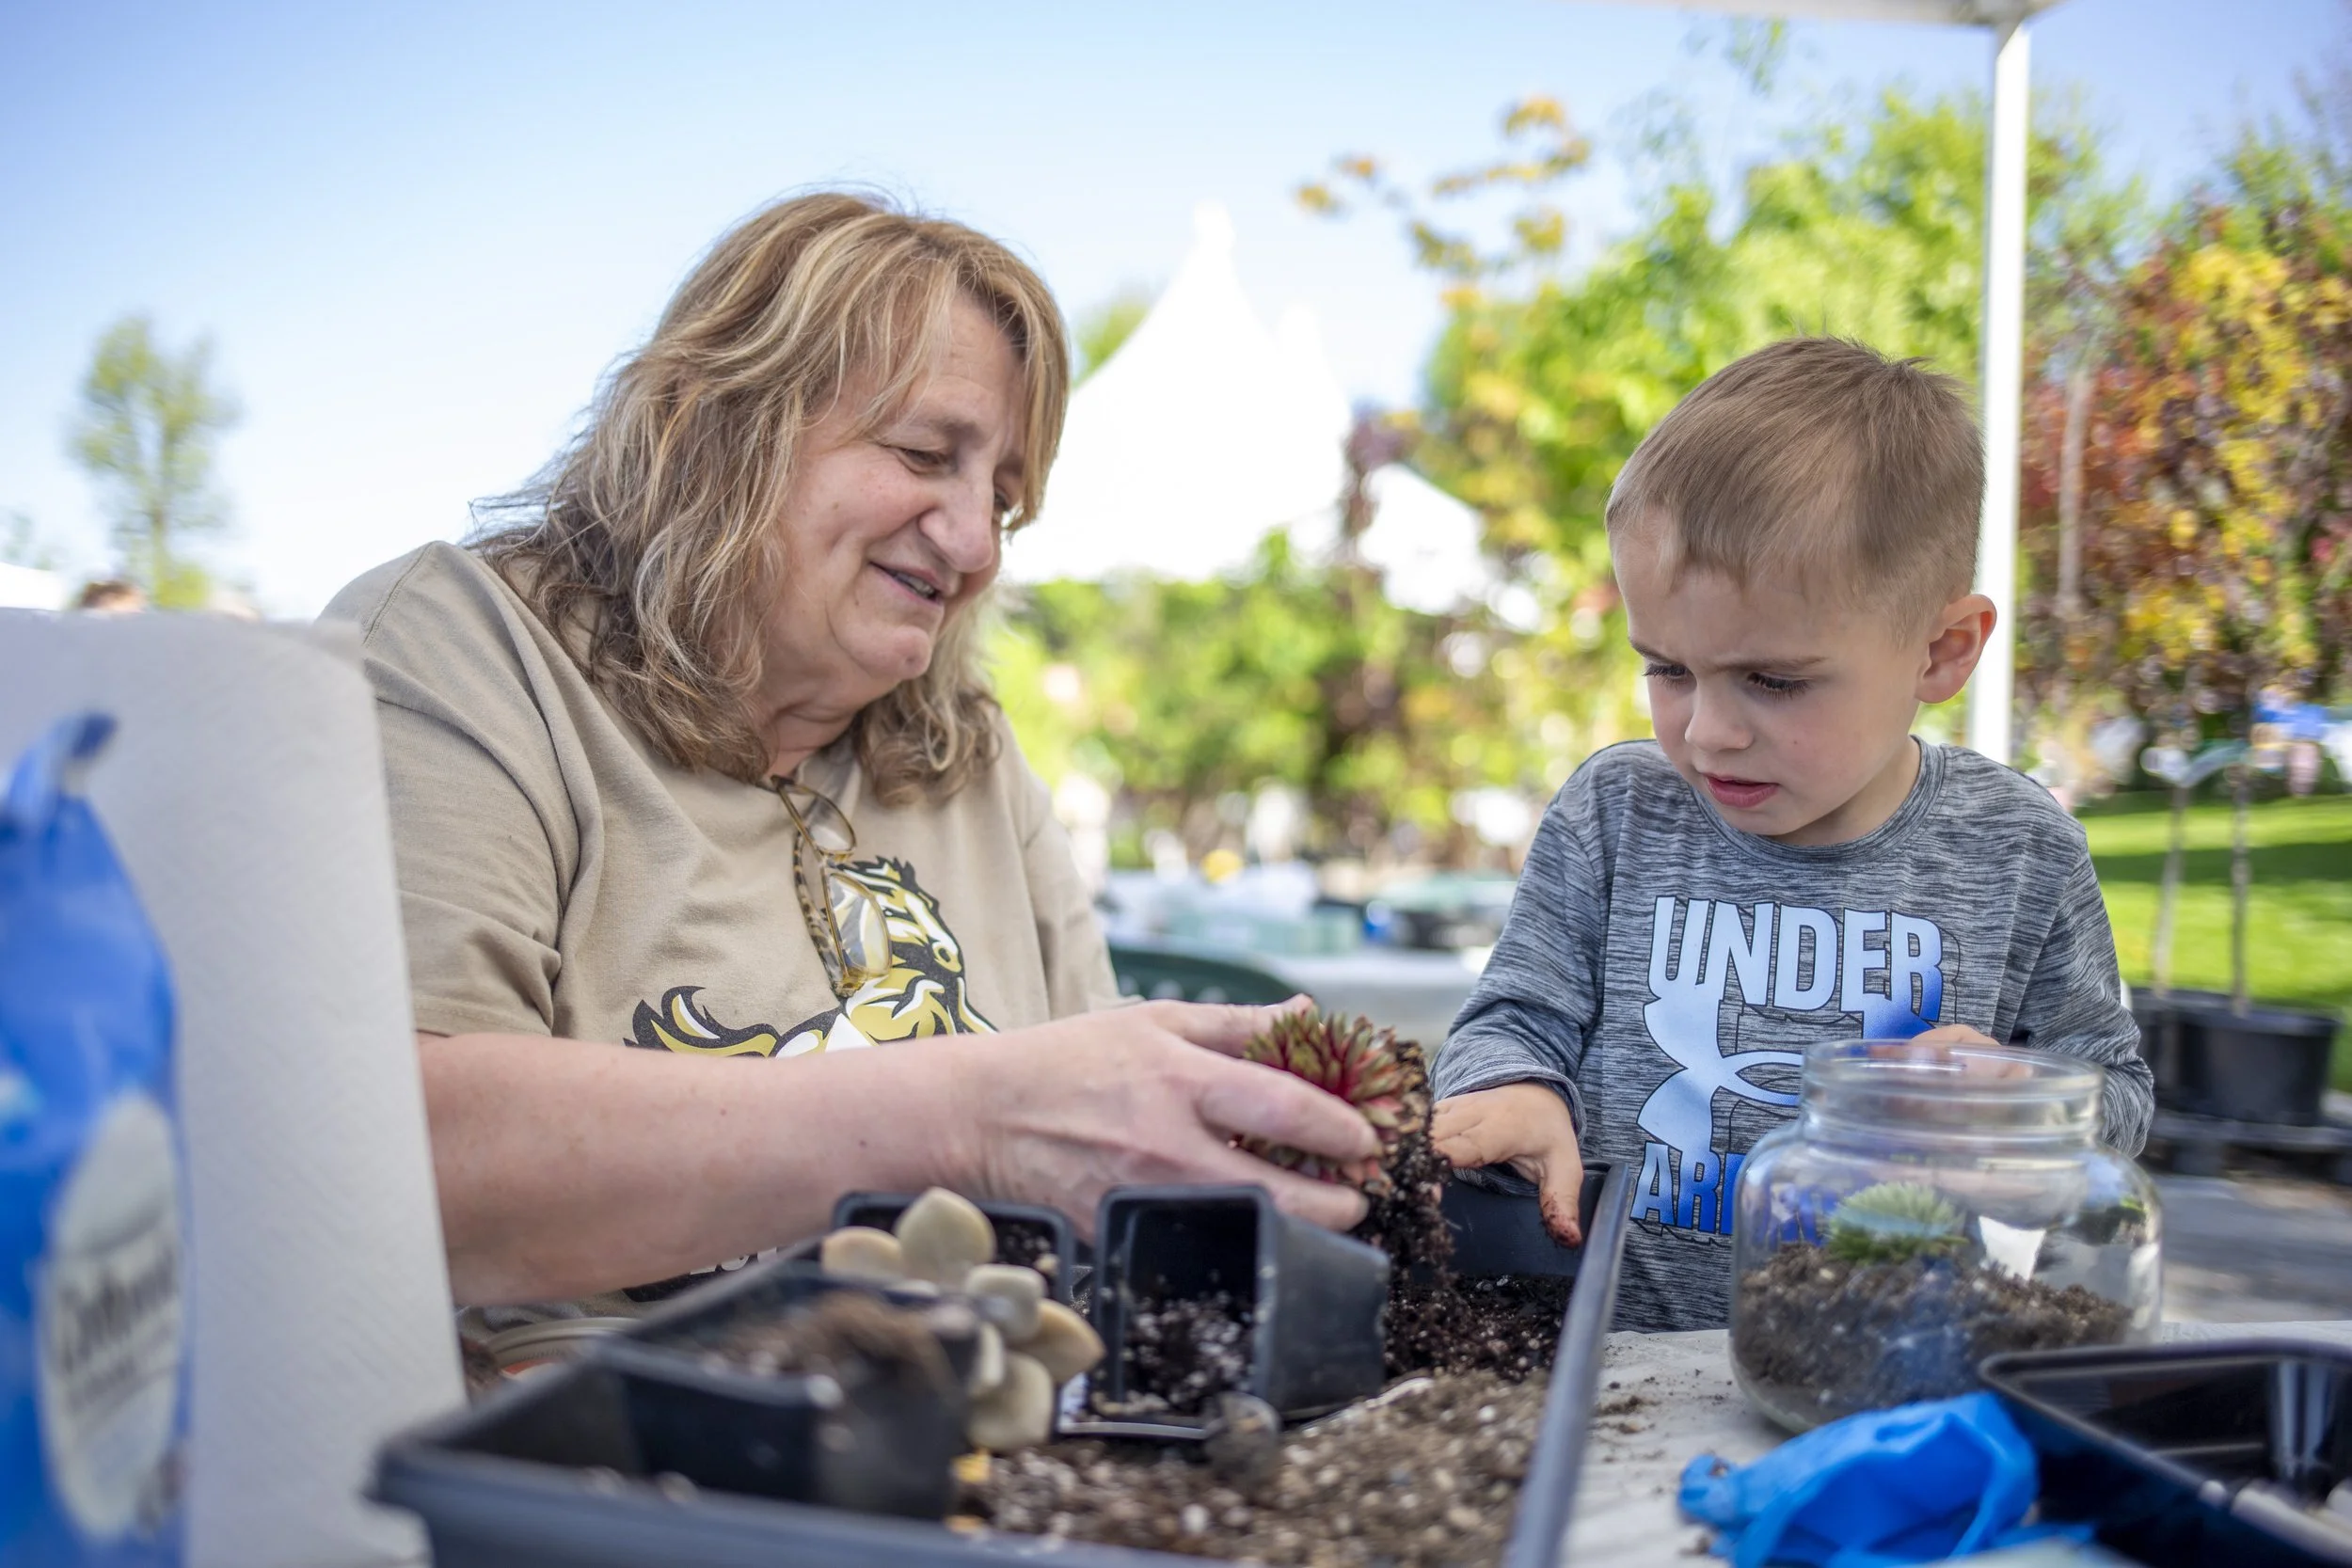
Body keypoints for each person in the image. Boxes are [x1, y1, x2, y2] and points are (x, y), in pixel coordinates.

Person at [322, 192, 1376, 1327]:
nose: (974, 544)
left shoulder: (966, 753)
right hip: (597, 1463)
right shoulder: (463, 651)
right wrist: (972, 1117)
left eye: (1004, 500)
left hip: (994, 1451)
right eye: (926, 453)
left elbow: (1107, 1162)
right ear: (715, 423)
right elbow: (392, 1158)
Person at [1427, 337, 2155, 1334]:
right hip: (1612, 1360)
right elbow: (1514, 1017)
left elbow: (2114, 1092)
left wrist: (2017, 1098)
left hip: (1887, 1362)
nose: (1706, 729)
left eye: (1772, 679)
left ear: (1940, 650)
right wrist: (1512, 1089)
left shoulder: (2015, 846)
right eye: (1667, 668)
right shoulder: (1615, 812)